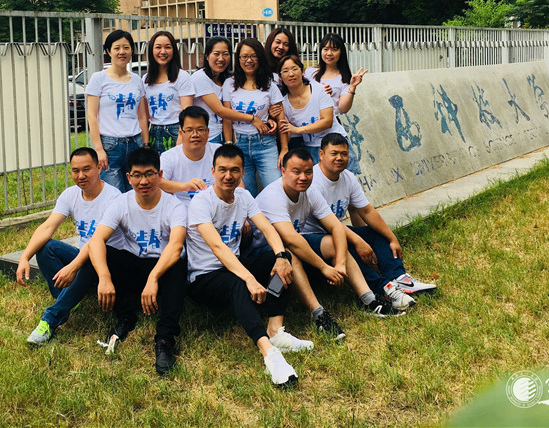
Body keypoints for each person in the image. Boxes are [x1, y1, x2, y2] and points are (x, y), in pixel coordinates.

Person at [187, 144, 311, 387]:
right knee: (237, 283)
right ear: (212, 171)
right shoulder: (201, 202)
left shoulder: (243, 197)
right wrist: (249, 279)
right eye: (222, 170)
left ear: (243, 172)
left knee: (281, 262)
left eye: (234, 170)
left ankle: (275, 329)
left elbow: (267, 228)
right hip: (204, 277)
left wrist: (281, 256)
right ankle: (269, 353)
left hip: (234, 267)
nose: (228, 176)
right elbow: (218, 247)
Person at [254, 149, 409, 318]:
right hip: (263, 256)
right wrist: (324, 267)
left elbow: (336, 226)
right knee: (290, 254)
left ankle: (370, 300)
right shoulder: (274, 196)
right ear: (283, 171)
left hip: (290, 248)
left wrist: (340, 263)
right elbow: (291, 240)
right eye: (296, 172)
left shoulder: (309, 191)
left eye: (308, 172)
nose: (303, 177)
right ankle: (318, 314)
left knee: (332, 242)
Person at [87, 147, 188, 376]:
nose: (144, 181)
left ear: (160, 175)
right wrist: (104, 277)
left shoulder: (174, 206)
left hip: (163, 269)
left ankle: (165, 339)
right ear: (128, 177)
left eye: (149, 174)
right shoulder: (121, 203)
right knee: (105, 253)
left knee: (177, 263)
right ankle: (125, 317)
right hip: (134, 265)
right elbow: (96, 241)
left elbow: (176, 246)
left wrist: (154, 277)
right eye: (137, 175)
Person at [307, 133, 437, 300]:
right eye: (334, 153)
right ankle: (382, 288)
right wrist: (359, 242)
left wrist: (392, 238)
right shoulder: (313, 181)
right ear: (321, 154)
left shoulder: (348, 177)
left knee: (378, 233)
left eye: (344, 154)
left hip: (336, 232)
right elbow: (329, 225)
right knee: (345, 247)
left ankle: (399, 278)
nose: (339, 158)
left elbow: (367, 211)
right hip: (314, 238)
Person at [19, 148, 123, 345]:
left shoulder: (114, 198)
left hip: (107, 262)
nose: (81, 175)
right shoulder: (70, 194)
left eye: (86, 169)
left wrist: (73, 267)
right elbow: (47, 227)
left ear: (99, 168)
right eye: (75, 171)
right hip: (84, 257)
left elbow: (96, 243)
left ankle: (49, 319)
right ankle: (66, 299)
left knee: (89, 259)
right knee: (46, 248)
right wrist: (25, 257)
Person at [221, 38, 289, 197]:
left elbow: (281, 119)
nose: (249, 61)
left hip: (265, 144)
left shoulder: (270, 85)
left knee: (276, 190)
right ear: (238, 59)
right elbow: (227, 117)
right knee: (245, 194)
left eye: (253, 56)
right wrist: (229, 144)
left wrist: (284, 149)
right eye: (244, 56)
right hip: (239, 144)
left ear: (260, 58)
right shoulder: (229, 84)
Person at [86, 30, 150, 192]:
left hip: (135, 143)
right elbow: (91, 116)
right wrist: (99, 149)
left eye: (126, 47)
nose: (122, 52)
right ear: (109, 51)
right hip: (110, 146)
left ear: (132, 51)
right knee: (114, 195)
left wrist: (145, 145)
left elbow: (142, 116)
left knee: (136, 194)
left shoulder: (137, 80)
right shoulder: (99, 78)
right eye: (117, 48)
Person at [305, 33, 368, 174]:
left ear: (341, 52)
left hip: (332, 132)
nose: (329, 53)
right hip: (310, 135)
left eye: (334, 49)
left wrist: (352, 87)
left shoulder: (343, 78)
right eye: (325, 49)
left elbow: (343, 108)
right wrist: (317, 91)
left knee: (343, 175)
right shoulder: (310, 73)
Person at [191, 36, 271, 144]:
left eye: (225, 54)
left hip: (225, 134)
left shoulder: (228, 80)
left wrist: (268, 117)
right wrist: (253, 119)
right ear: (207, 56)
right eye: (216, 54)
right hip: (208, 137)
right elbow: (221, 111)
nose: (221, 58)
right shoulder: (200, 77)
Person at [277, 54, 347, 164]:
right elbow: (286, 130)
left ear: (302, 71)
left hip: (335, 144)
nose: (291, 74)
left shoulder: (319, 90)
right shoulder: (284, 103)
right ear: (280, 77)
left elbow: (327, 121)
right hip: (311, 149)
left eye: (295, 69)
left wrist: (297, 130)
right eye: (285, 71)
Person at [144, 30, 195, 154]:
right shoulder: (145, 79)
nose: (163, 52)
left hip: (175, 131)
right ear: (151, 51)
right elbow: (144, 116)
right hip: (153, 132)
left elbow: (187, 113)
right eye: (158, 47)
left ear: (174, 50)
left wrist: (181, 138)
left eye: (167, 47)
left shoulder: (182, 77)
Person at [159, 106, 220, 205]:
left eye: (200, 129)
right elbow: (158, 181)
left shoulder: (218, 152)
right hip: (180, 209)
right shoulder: (169, 157)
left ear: (208, 132)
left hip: (214, 208)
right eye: (189, 130)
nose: (195, 134)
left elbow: (238, 184)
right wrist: (185, 186)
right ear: (181, 133)